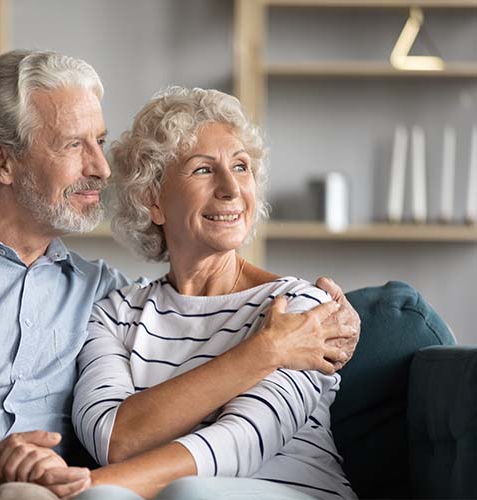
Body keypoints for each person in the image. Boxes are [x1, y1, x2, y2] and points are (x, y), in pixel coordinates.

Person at [0, 51, 359, 500]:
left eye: (100, 140)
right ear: (2, 163)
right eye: (75, 145)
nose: (100, 166)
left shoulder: (100, 290)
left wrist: (335, 316)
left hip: (31, 491)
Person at [71, 87, 357, 499]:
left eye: (241, 167)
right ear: (153, 200)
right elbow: (115, 440)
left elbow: (240, 443)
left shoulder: (300, 308)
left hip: (286, 491)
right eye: (203, 170)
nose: (230, 188)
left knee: (187, 494)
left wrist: (75, 487)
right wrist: (265, 351)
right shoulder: (115, 314)